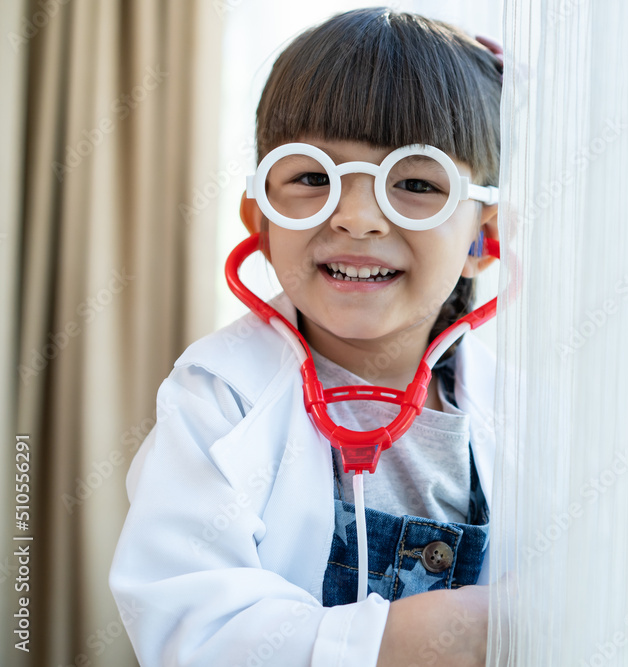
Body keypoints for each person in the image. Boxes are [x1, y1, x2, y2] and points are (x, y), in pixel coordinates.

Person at [109, 7, 508, 665]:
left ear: (483, 235)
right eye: (311, 178)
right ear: (258, 217)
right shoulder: (218, 398)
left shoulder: (521, 412)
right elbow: (190, 624)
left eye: (413, 182)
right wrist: (447, 633)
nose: (355, 217)